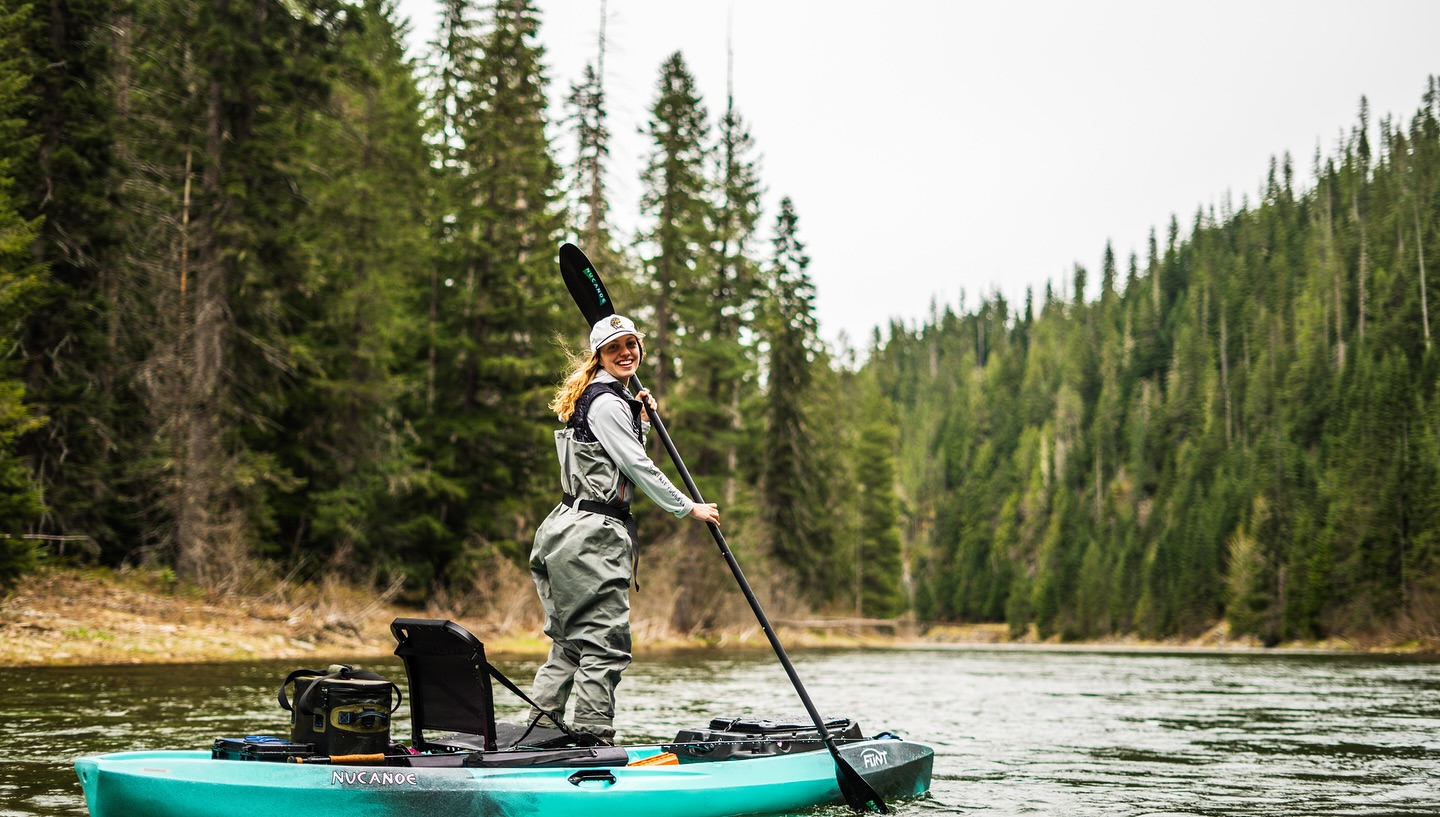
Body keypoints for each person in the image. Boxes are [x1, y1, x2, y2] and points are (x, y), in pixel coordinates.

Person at [528, 313, 720, 743]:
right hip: (592, 537)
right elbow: (636, 465)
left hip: (562, 530)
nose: (625, 353)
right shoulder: (609, 401)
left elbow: (616, 455)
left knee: (569, 645)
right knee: (604, 645)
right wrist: (686, 507)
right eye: (614, 348)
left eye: (630, 344)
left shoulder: (599, 398)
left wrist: (644, 418)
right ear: (599, 355)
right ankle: (592, 741)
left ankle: (539, 737)